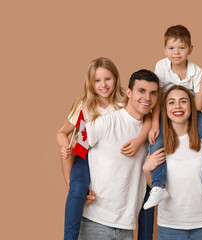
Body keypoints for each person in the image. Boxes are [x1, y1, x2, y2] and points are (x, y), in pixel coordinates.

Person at [56, 58, 153, 240]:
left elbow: (149, 117)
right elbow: (64, 134)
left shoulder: (126, 100)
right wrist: (65, 147)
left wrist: (139, 141)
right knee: (76, 190)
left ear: (116, 79)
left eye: (107, 79)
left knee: (148, 191)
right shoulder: (85, 105)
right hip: (85, 155)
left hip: (123, 166)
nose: (103, 85)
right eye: (97, 81)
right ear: (90, 84)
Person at [144, 25, 202, 209]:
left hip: (189, 112)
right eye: (172, 48)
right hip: (167, 112)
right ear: (165, 49)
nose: (176, 53)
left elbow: (199, 106)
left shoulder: (196, 71)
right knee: (157, 142)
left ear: (190, 49)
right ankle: (158, 186)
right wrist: (154, 124)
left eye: (181, 48)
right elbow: (157, 98)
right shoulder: (161, 66)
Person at [78, 69, 159, 240]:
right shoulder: (105, 122)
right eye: (141, 91)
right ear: (128, 92)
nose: (147, 98)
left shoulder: (152, 132)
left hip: (127, 226)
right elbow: (73, 152)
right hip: (95, 221)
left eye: (153, 93)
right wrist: (76, 189)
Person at [143, 86, 202, 240]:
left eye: (183, 101)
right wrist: (146, 170)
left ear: (191, 106)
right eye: (171, 102)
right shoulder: (157, 142)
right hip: (169, 226)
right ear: (165, 109)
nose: (177, 106)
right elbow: (154, 186)